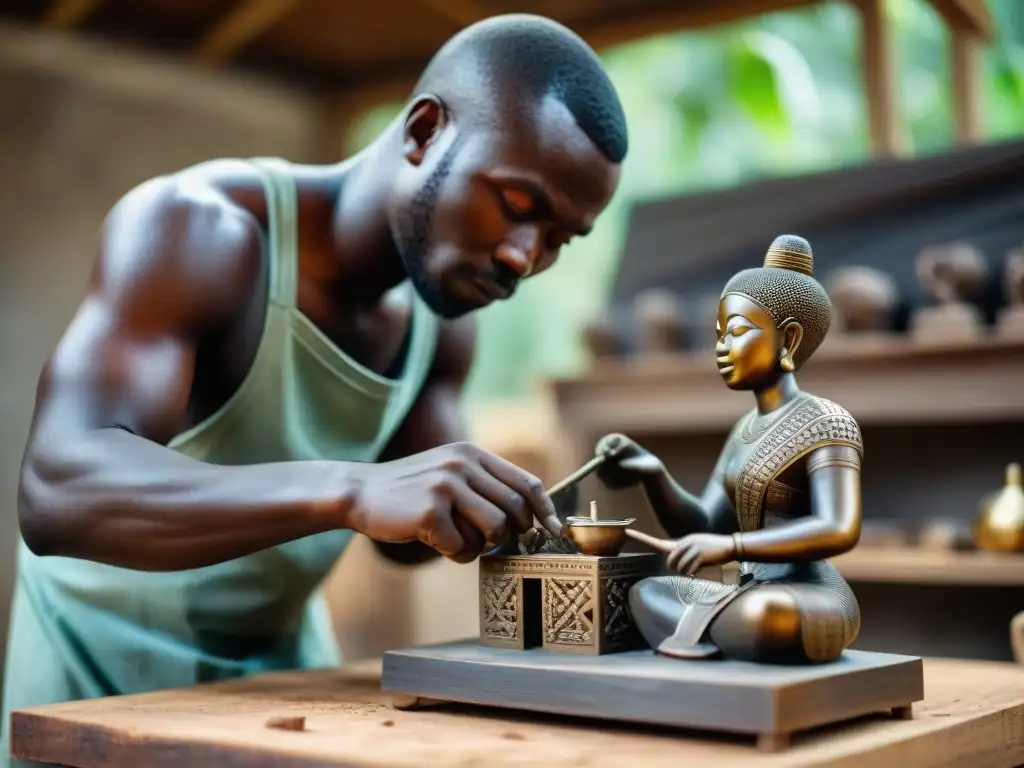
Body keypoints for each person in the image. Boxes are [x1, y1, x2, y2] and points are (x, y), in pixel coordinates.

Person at [0, 13, 627, 764]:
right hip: (93, 693)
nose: (526, 258)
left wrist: (494, 511)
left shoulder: (440, 328)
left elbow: (409, 546)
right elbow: (57, 490)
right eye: (517, 206)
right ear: (424, 132)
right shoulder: (201, 232)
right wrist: (353, 489)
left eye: (561, 237)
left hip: (279, 689)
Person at [595, 235, 862, 665]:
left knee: (771, 615)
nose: (721, 346)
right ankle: (724, 634)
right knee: (644, 593)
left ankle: (722, 632)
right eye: (719, 333)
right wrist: (653, 474)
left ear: (788, 340)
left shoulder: (828, 422)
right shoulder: (744, 429)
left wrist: (735, 548)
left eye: (737, 331)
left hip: (808, 595)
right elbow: (703, 525)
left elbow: (839, 528)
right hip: (745, 590)